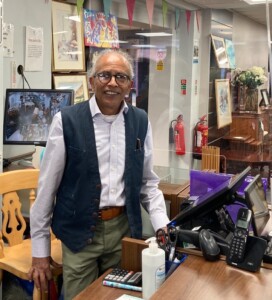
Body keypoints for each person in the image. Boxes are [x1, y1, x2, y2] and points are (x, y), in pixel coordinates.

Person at [28, 49, 170, 299]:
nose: (113, 82)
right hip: (79, 231)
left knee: (119, 295)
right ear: (92, 81)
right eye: (105, 75)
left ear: (130, 86)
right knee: (79, 295)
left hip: (123, 230)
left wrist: (162, 224)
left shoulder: (140, 121)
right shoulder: (67, 120)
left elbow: (148, 183)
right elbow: (47, 188)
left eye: (121, 77)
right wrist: (40, 251)